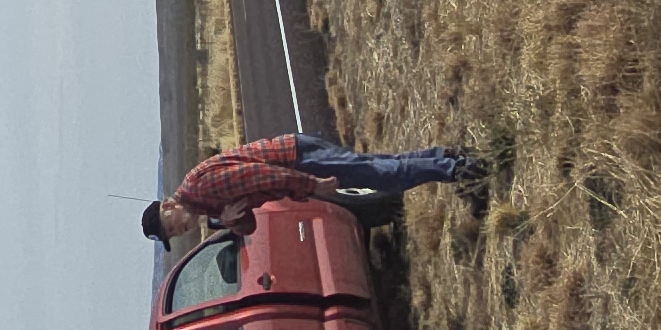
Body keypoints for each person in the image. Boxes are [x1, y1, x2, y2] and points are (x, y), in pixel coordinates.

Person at [140, 132, 487, 243]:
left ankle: (459, 170)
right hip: (296, 168)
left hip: (295, 159)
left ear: (168, 206)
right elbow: (250, 225)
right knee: (376, 167)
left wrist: (314, 186)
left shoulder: (200, 186)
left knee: (379, 175)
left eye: (174, 223)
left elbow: (264, 177)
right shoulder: (208, 209)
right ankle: (445, 157)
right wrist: (232, 221)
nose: (183, 227)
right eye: (177, 233)